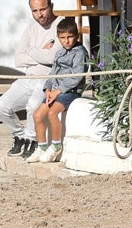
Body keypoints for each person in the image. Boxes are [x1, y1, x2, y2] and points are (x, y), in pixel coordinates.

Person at [0, 0, 59, 160]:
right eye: (35, 11)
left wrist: (30, 51)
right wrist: (38, 52)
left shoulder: (61, 25)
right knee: (1, 106)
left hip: (47, 79)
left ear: (51, 6)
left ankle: (32, 139)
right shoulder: (31, 27)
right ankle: (20, 136)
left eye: (43, 9)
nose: (40, 15)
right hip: (28, 77)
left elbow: (52, 57)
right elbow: (18, 59)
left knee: (33, 105)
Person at [26, 17, 87, 164]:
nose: (66, 41)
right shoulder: (59, 53)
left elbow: (76, 77)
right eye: (62, 38)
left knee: (53, 112)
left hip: (70, 91)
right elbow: (53, 73)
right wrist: (47, 88)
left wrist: (58, 91)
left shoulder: (79, 52)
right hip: (54, 91)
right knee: (37, 115)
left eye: (70, 37)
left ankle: (56, 145)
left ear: (76, 36)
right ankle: (41, 146)